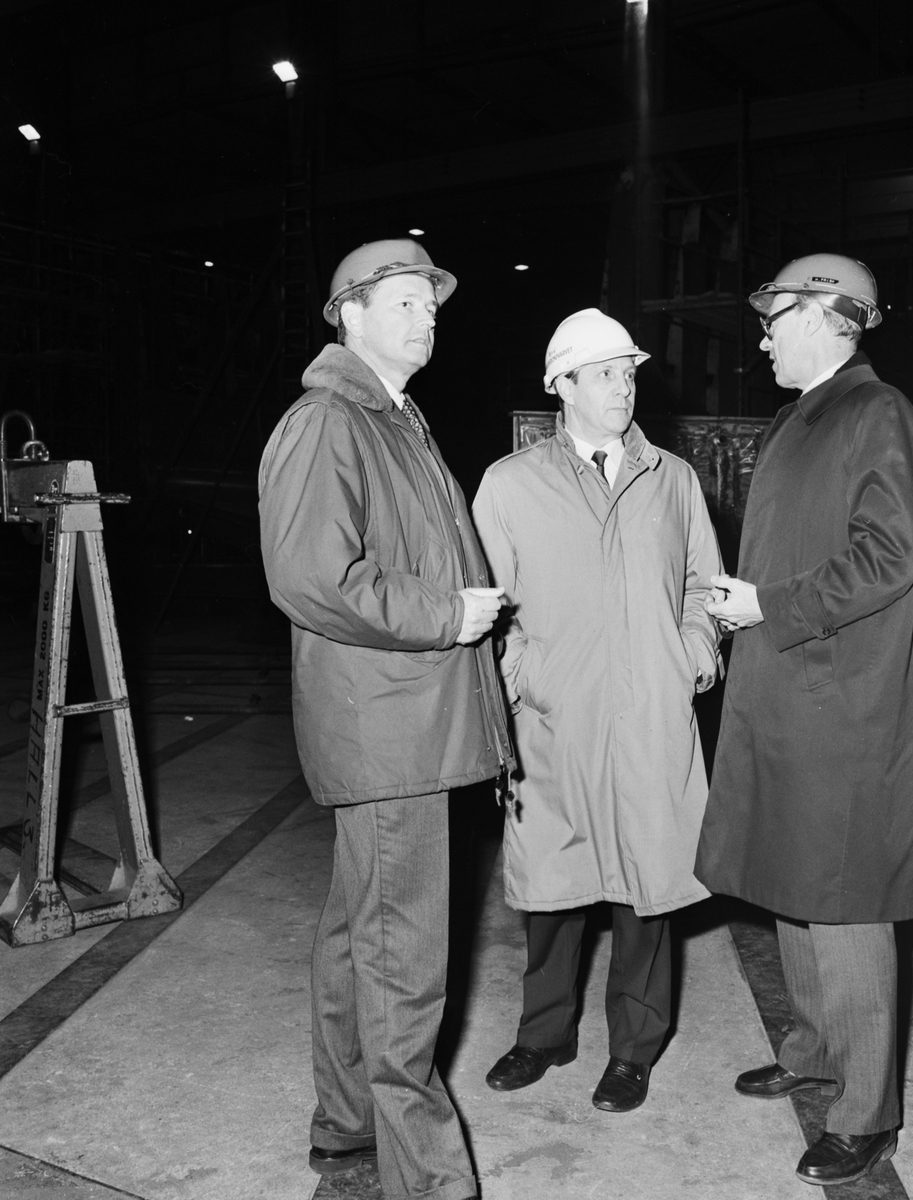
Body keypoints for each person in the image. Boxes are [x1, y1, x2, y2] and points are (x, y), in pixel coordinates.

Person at [258, 238, 513, 1200]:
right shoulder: (329, 422)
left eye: (430, 302)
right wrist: (448, 614)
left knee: (354, 938)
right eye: (403, 300)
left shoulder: (395, 419)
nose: (425, 315)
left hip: (405, 720)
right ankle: (429, 1182)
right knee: (404, 961)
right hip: (389, 729)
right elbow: (310, 577)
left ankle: (346, 1122)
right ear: (349, 314)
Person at [695, 255, 913, 1185]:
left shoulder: (876, 413)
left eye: (775, 318)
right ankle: (813, 1050)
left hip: (842, 705)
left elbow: (888, 557)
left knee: (844, 901)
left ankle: (866, 1111)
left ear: (832, 317)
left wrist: (770, 606)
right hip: (788, 692)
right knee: (794, 880)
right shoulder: (800, 418)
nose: (762, 338)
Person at [471, 308, 723, 1114]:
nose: (623, 388)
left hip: (650, 712)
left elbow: (702, 588)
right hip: (555, 716)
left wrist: (691, 656)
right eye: (605, 374)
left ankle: (634, 1048)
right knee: (552, 886)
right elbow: (491, 608)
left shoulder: (671, 480)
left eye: (629, 373)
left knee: (648, 887)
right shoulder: (510, 485)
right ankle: (544, 1033)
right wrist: (524, 679)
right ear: (563, 386)